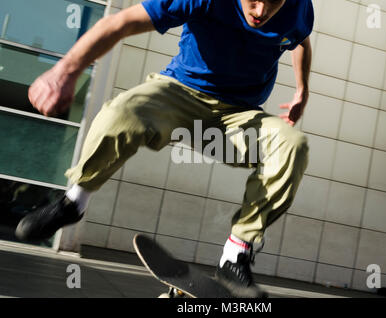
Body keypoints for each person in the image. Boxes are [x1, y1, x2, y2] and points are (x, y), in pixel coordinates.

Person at [15, 0, 314, 298]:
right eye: (253, 1)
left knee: (292, 145)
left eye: (272, 3)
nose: (261, 12)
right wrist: (66, 71)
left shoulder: (299, 7)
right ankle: (73, 203)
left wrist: (302, 89)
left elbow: (300, 40)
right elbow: (120, 23)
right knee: (123, 111)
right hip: (180, 94)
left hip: (240, 116)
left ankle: (235, 255)